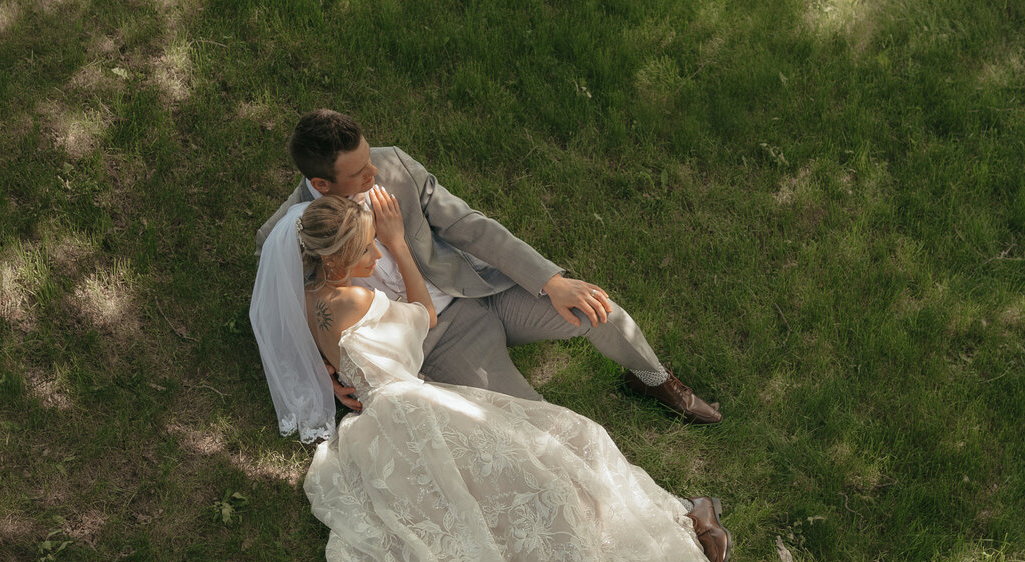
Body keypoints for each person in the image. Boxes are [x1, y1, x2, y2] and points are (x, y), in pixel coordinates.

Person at [297, 189, 734, 562]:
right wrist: (401, 245)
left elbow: (349, 363)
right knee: (562, 452)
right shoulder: (359, 298)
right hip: (418, 412)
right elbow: (424, 317)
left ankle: (677, 517)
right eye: (366, 251)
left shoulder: (315, 304)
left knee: (513, 483)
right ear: (338, 260)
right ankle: (666, 535)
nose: (374, 257)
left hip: (375, 433)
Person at [250, 109, 722, 454]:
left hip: (477, 290)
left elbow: (468, 225)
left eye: (370, 159)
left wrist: (551, 281)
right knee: (541, 426)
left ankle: (654, 380)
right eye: (359, 173)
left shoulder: (393, 164)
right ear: (322, 183)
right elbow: (292, 310)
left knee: (600, 309)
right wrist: (333, 372)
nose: (375, 173)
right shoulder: (292, 235)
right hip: (439, 341)